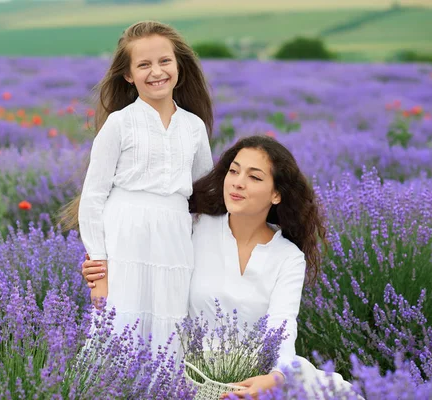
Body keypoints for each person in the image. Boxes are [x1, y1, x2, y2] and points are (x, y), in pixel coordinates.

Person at [83, 136, 357, 399]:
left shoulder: (288, 257)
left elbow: (282, 327)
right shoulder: (193, 227)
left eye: (254, 177)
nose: (238, 183)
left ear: (276, 194)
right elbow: (140, 259)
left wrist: (275, 377)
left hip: (255, 374)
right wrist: (101, 264)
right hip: (188, 373)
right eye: (233, 172)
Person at [60, 20, 214, 356]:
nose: (156, 71)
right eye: (143, 64)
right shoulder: (120, 123)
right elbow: (94, 197)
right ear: (128, 75)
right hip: (125, 238)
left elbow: (204, 199)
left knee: (170, 329)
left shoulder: (193, 127)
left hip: (175, 241)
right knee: (119, 326)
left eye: (164, 61)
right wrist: (98, 265)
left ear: (179, 67)